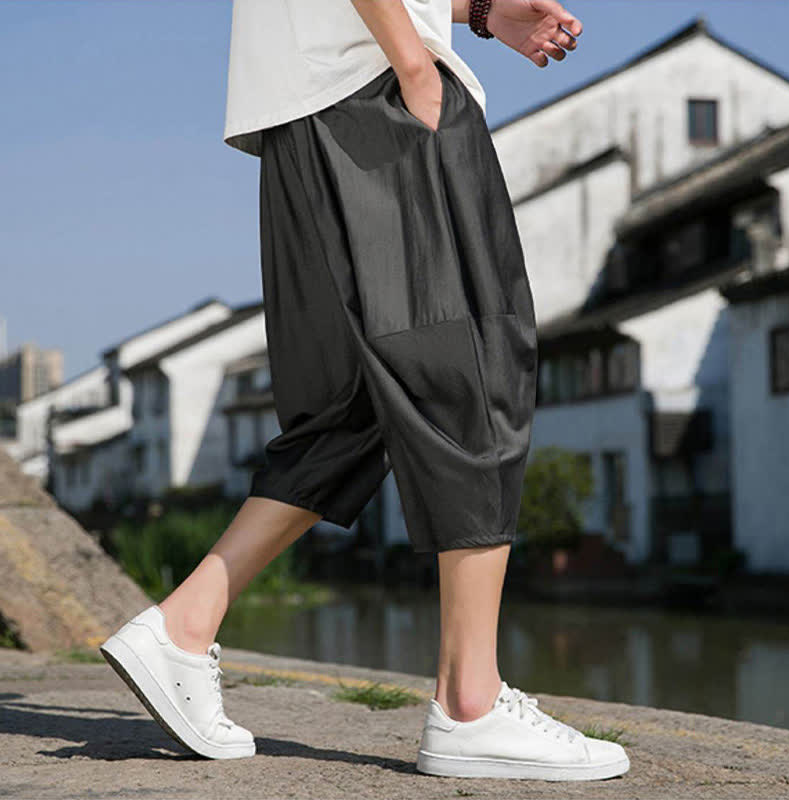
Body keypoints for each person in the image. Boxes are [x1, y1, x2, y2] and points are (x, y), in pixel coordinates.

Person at [100, 0, 630, 782]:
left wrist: (476, 12)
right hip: (372, 86)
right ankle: (471, 704)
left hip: (307, 103)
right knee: (472, 368)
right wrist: (414, 61)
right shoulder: (394, 72)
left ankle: (184, 625)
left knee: (357, 401)